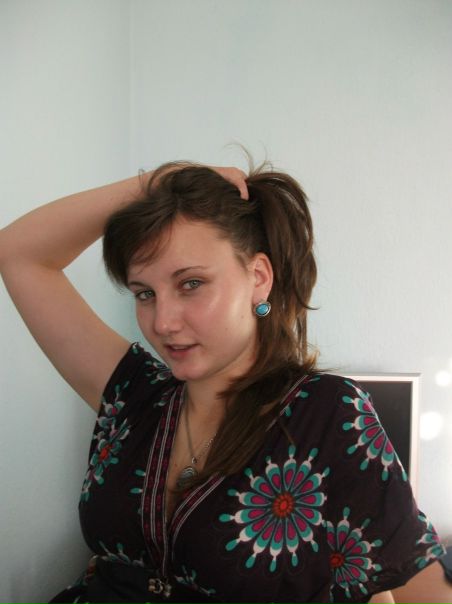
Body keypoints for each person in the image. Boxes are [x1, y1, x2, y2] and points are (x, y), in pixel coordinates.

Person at [0, 160, 445, 604]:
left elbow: (420, 590)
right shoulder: (134, 394)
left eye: (191, 283)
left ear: (258, 278)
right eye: (145, 294)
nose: (162, 322)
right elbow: (17, 252)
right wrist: (159, 183)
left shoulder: (326, 414)